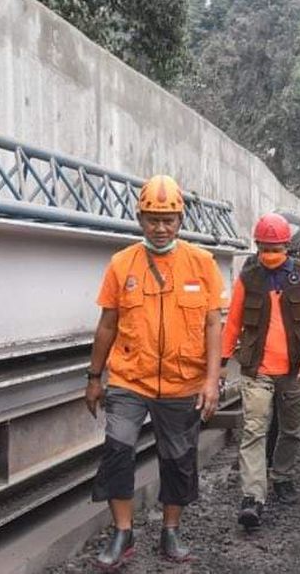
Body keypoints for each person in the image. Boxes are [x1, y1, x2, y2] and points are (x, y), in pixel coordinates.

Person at [85, 175, 226, 568]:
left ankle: (171, 532)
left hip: (184, 382)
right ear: (140, 218)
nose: (160, 228)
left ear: (181, 220)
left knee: (178, 458)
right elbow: (108, 324)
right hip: (130, 378)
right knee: (118, 448)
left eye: (168, 220)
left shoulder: (202, 264)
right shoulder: (121, 264)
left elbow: (214, 324)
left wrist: (211, 380)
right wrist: (94, 378)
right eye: (152, 219)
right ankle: (122, 532)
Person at [222, 213, 300, 529]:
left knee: (291, 429)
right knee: (254, 429)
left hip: (295, 369)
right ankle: (253, 497)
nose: (269, 254)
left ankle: (282, 474)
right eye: (264, 248)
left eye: (275, 248)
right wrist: (223, 362)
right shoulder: (248, 276)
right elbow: (234, 321)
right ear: (257, 246)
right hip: (257, 369)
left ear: (286, 246)